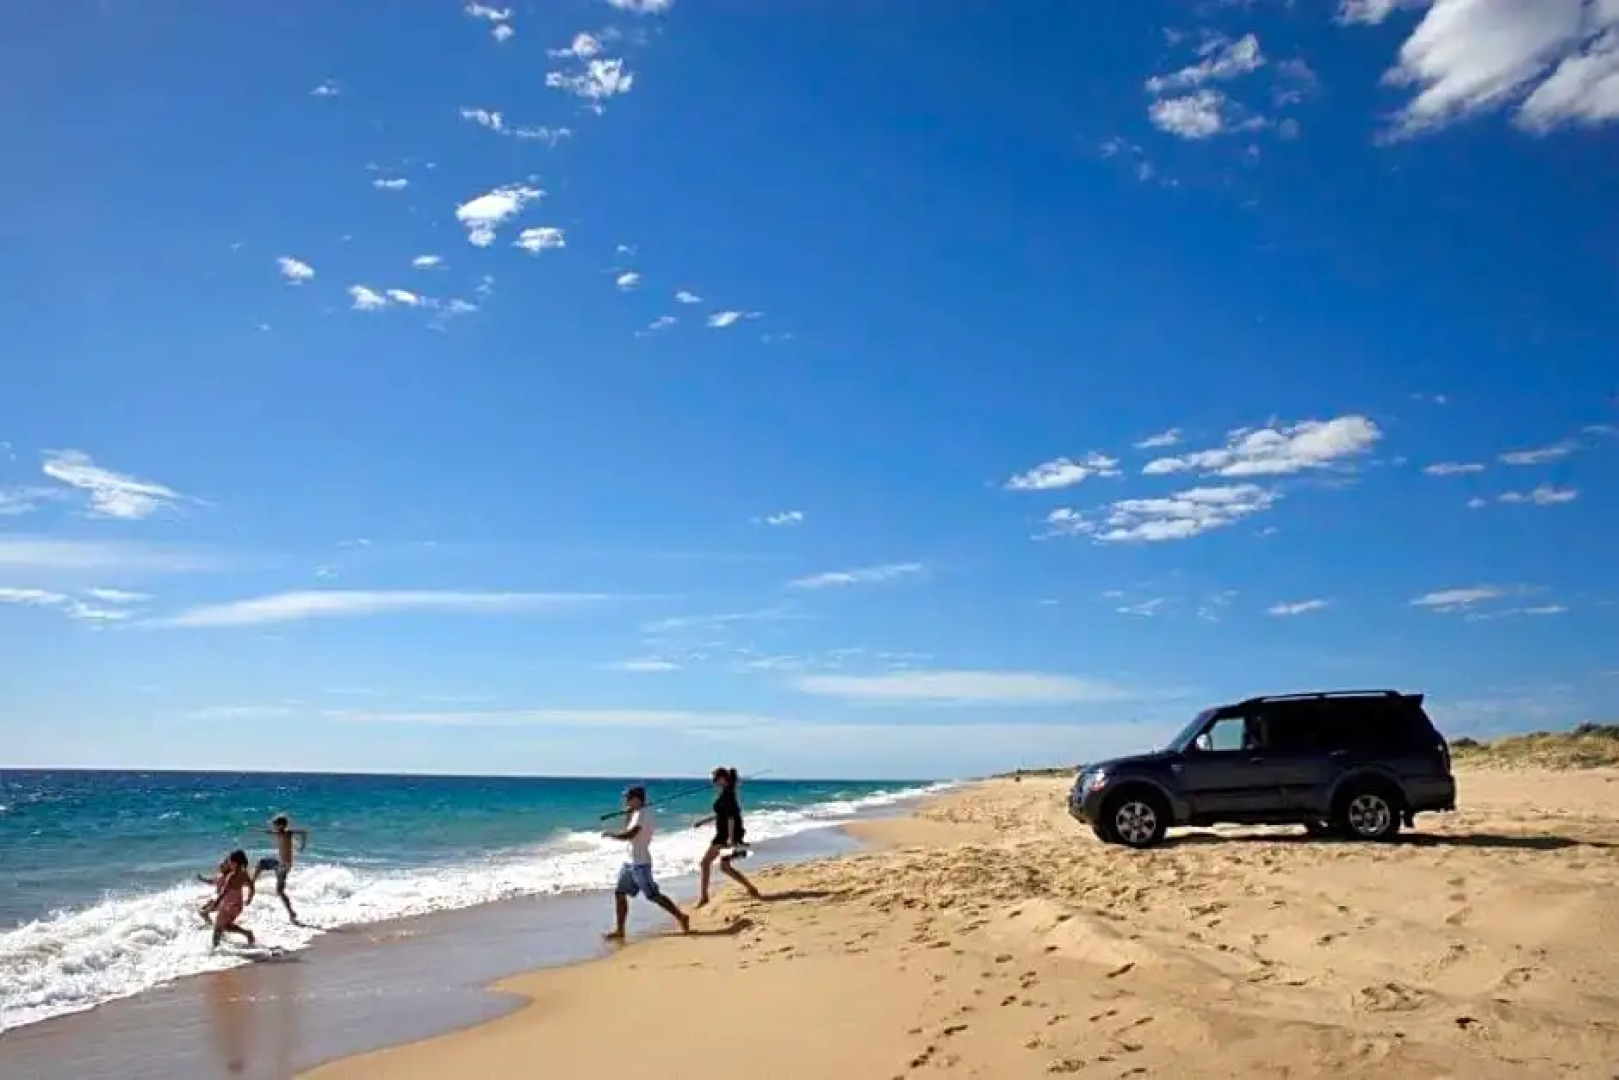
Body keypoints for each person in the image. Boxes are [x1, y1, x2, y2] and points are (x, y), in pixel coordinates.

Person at [601, 785, 689, 940]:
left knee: (653, 895)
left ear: (636, 799)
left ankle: (681, 917)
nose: (625, 800)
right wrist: (629, 814)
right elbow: (628, 829)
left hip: (641, 863)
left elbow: (631, 834)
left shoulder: (644, 814)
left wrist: (611, 835)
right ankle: (620, 930)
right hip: (630, 861)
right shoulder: (636, 814)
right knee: (619, 893)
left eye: (628, 798)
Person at [693, 767, 762, 908]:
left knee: (705, 863)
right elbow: (721, 814)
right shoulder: (726, 793)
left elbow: (731, 818)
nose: (713, 782)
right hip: (725, 834)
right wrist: (703, 821)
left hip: (725, 836)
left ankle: (704, 897)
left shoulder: (728, 795)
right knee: (725, 867)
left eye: (714, 779)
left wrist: (730, 840)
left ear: (722, 778)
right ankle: (750, 888)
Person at [254, 814, 309, 925]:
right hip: (280, 864)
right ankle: (251, 883)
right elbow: (272, 832)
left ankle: (291, 913)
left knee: (279, 891)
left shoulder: (287, 832)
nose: (274, 826)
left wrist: (302, 846)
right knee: (261, 863)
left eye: (275, 825)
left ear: (281, 825)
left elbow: (304, 832)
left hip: (284, 866)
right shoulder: (280, 833)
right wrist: (261, 830)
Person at [211, 850, 256, 950]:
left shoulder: (231, 876)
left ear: (234, 863)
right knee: (226, 926)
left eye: (230, 861)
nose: (228, 863)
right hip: (238, 906)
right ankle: (247, 933)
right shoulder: (244, 874)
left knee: (218, 928)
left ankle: (214, 951)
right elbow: (252, 886)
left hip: (228, 905)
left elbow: (224, 892)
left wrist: (216, 903)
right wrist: (249, 898)